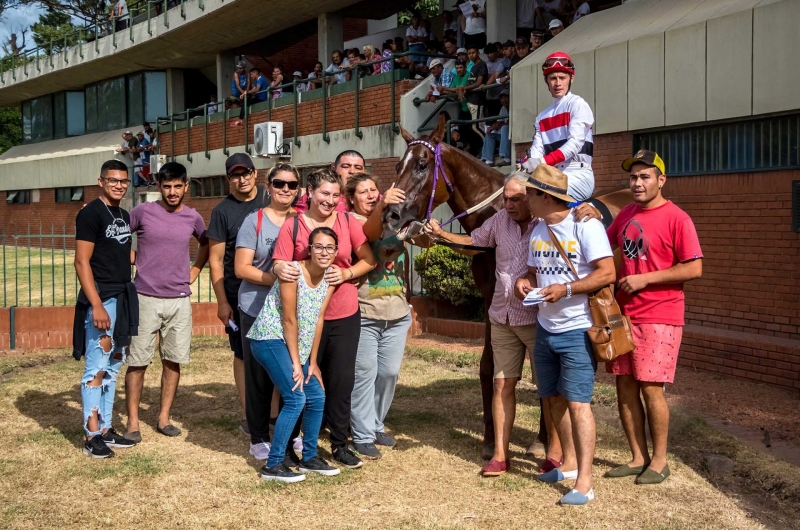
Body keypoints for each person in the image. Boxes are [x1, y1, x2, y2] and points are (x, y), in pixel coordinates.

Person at [424, 174, 559, 472]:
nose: (508, 205)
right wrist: (443, 236)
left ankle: (554, 450)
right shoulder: (499, 221)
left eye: (516, 199)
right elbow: (475, 241)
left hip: (536, 319)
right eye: (505, 199)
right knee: (501, 385)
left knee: (548, 389)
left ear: (534, 197)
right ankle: (500, 454)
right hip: (502, 316)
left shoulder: (547, 224)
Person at [594, 150, 702, 485]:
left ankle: (659, 460)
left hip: (660, 314)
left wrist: (645, 278)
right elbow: (602, 244)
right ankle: (637, 456)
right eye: (633, 177)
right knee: (624, 387)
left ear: (661, 180)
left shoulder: (677, 218)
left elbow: (695, 267)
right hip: (623, 315)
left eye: (645, 177)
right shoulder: (626, 213)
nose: (637, 183)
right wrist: (584, 214)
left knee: (651, 388)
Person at [515, 164, 615, 505]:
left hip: (578, 329)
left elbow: (607, 272)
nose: (525, 199)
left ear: (545, 196)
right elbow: (533, 270)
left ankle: (585, 482)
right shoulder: (538, 230)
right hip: (546, 327)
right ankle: (569, 464)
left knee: (578, 403)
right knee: (553, 398)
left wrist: (568, 289)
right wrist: (523, 283)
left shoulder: (586, 225)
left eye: (529, 193)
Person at [272, 169, 376, 469]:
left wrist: (347, 273)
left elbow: (369, 258)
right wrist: (281, 269)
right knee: (299, 381)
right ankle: (294, 444)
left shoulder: (346, 222)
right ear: (309, 193)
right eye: (324, 194)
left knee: (341, 382)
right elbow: (279, 261)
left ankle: (340, 445)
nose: (330, 200)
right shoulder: (293, 225)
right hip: (303, 317)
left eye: (335, 195)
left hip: (343, 313)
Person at [124, 162, 209, 443]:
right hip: (145, 297)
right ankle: (133, 422)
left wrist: (195, 269)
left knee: (173, 361)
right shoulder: (143, 212)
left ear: (186, 186)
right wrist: (135, 258)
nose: (172, 192)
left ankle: (163, 418)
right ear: (159, 186)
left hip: (179, 300)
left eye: (177, 186)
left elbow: (206, 243)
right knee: (138, 362)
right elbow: (119, 238)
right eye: (166, 186)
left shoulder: (193, 217)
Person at [248, 227, 341, 482]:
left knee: (317, 396)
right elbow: (289, 320)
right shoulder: (292, 273)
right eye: (318, 247)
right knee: (295, 398)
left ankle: (309, 458)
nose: (324, 252)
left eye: (329, 247)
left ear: (336, 251)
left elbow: (318, 319)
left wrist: (312, 362)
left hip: (297, 346)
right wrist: (296, 364)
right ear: (309, 249)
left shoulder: (331, 278)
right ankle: (274, 464)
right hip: (269, 339)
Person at [234, 163, 300, 462]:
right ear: (268, 187)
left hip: (293, 311)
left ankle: (293, 433)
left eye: (292, 184)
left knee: (293, 372)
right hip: (257, 308)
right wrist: (277, 278)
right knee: (258, 376)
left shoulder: (302, 221)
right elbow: (241, 267)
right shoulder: (255, 221)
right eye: (279, 183)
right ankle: (259, 436)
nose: (285, 189)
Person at [72, 160, 138, 458]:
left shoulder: (123, 214)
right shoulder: (90, 213)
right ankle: (92, 436)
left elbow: (119, 250)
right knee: (96, 368)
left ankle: (107, 429)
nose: (119, 185)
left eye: (123, 181)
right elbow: (81, 261)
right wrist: (96, 304)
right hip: (103, 300)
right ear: (101, 181)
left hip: (123, 300)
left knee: (112, 366)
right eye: (113, 180)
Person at [345, 174, 411, 460]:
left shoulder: (393, 219)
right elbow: (370, 235)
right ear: (351, 198)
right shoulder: (350, 221)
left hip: (397, 312)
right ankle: (361, 434)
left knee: (388, 374)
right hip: (365, 312)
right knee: (365, 375)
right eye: (364, 192)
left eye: (374, 189)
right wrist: (384, 204)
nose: (371, 195)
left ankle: (374, 423)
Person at [208, 153, 270, 435]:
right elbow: (217, 260)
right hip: (238, 294)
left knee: (274, 350)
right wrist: (222, 302)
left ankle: (272, 412)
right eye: (235, 175)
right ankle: (249, 413)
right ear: (228, 179)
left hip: (274, 291)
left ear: (255, 173)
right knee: (243, 353)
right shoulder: (223, 211)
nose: (241, 179)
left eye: (245, 173)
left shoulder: (271, 199)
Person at [523, 52, 595, 203]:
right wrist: (531, 162)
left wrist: (541, 162)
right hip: (550, 173)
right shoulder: (541, 117)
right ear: (546, 81)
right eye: (553, 78)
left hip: (578, 174)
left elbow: (574, 144)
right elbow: (537, 149)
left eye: (562, 78)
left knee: (541, 193)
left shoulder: (578, 104)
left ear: (571, 78)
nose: (558, 83)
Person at [462, 45, 489, 155]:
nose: (471, 55)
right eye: (469, 53)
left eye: (473, 52)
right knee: (478, 126)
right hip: (471, 99)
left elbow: (478, 83)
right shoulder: (472, 66)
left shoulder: (481, 64)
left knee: (477, 126)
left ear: (478, 52)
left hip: (477, 100)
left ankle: (488, 145)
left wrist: (465, 88)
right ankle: (486, 148)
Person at [481, 92, 511, 167]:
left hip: (513, 136)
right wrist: (493, 126)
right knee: (489, 132)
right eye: (501, 98)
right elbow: (499, 122)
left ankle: (507, 158)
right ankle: (488, 160)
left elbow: (509, 123)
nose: (503, 100)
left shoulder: (514, 106)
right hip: (505, 137)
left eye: (505, 97)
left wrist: (501, 124)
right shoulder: (503, 108)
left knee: (505, 128)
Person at [484, 43, 509, 118]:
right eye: (487, 53)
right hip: (490, 96)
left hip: (500, 97)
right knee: (492, 119)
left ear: (496, 52)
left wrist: (486, 85)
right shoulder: (485, 64)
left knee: (501, 119)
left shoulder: (503, 61)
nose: (489, 55)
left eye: (491, 53)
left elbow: (495, 75)